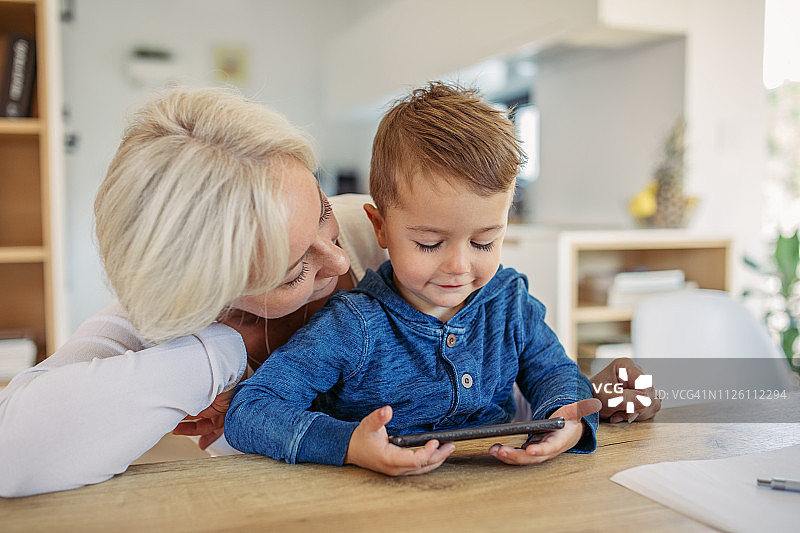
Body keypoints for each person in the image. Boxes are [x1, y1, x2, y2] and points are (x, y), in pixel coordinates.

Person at [0, 87, 657, 498]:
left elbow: (496, 369)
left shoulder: (387, 233)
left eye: (318, 210)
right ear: (211, 296)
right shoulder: (162, 320)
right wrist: (228, 348)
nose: (341, 256)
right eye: (293, 271)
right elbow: (14, 448)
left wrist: (572, 400)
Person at [224, 83, 602, 476]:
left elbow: (558, 374)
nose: (459, 265)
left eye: (483, 241)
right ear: (380, 227)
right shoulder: (352, 325)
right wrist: (349, 445)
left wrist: (565, 419)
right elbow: (251, 411)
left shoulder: (510, 302)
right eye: (429, 243)